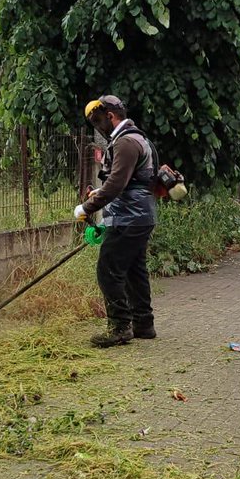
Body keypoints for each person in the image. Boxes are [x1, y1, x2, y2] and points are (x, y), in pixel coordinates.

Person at [74, 95, 158, 347]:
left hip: (129, 218)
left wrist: (86, 207)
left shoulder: (125, 143)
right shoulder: (137, 138)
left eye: (100, 121)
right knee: (134, 271)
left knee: (108, 271)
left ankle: (120, 327)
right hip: (140, 215)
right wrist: (98, 195)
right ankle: (144, 324)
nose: (99, 128)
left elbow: (115, 185)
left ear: (111, 116)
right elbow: (128, 182)